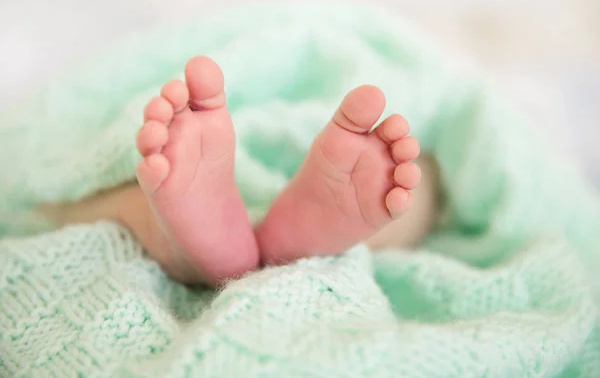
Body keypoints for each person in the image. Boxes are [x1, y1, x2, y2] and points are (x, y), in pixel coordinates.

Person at [41, 56, 441, 285]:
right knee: (416, 181)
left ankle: (164, 233)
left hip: (257, 116)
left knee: (396, 178)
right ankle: (293, 240)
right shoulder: (372, 45)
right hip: (319, 102)